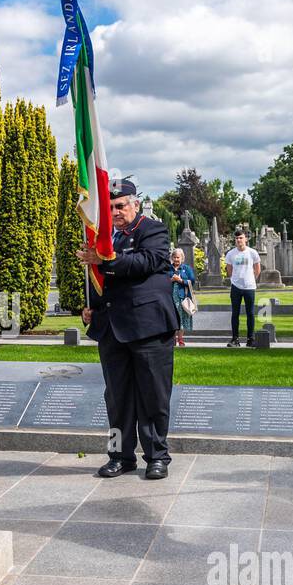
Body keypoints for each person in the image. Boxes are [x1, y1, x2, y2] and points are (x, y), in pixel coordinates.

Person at [78, 179, 177, 479]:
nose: (115, 212)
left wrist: (106, 259)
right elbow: (103, 280)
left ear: (135, 204)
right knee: (117, 400)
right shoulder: (108, 240)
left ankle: (157, 456)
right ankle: (120, 455)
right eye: (109, 208)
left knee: (153, 398)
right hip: (112, 330)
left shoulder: (153, 231)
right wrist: (91, 307)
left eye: (120, 206)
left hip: (149, 329)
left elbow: (146, 262)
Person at [224, 230, 261, 346]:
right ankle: (235, 339)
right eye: (236, 238)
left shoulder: (252, 253)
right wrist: (235, 280)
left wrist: (250, 279)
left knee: (250, 313)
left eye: (241, 238)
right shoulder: (230, 254)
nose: (239, 240)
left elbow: (257, 269)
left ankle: (251, 339)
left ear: (246, 239)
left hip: (249, 287)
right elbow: (229, 270)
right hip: (236, 287)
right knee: (235, 313)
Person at [169, 248, 196, 347]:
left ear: (182, 258)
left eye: (178, 257)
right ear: (172, 258)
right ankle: (172, 339)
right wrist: (171, 279)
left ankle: (180, 339)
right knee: (171, 319)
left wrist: (181, 280)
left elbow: (192, 281)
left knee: (181, 318)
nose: (176, 259)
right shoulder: (168, 268)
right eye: (174, 257)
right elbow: (162, 281)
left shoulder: (187, 268)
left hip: (182, 298)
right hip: (170, 298)